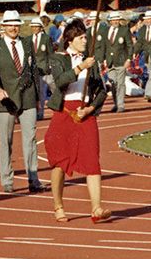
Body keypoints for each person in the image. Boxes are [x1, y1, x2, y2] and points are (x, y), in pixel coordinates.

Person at [44, 19, 109, 223]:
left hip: (85, 114)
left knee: (92, 160)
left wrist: (90, 108)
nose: (84, 40)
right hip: (64, 114)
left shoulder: (92, 60)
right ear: (70, 40)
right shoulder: (58, 58)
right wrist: (80, 67)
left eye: (85, 37)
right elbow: (60, 81)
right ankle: (58, 206)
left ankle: (96, 208)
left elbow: (101, 91)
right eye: (81, 38)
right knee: (60, 163)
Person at [0, 10, 43, 193]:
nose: (13, 28)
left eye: (16, 25)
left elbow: (33, 71)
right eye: (9, 25)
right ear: (3, 26)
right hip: (6, 100)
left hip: (27, 97)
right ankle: (7, 180)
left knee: (31, 139)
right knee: (6, 140)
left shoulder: (27, 44)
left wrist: (38, 98)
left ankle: (33, 178)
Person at [103, 11, 133, 113]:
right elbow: (104, 46)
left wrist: (129, 59)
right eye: (113, 20)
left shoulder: (124, 30)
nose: (115, 21)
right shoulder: (106, 30)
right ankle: (116, 104)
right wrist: (103, 60)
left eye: (117, 19)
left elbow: (129, 46)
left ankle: (121, 105)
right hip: (110, 62)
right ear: (110, 21)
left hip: (121, 61)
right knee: (113, 84)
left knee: (120, 84)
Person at [28, 17, 54, 120]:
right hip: (34, 71)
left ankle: (60, 108)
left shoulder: (46, 38)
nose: (34, 28)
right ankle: (40, 112)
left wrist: (51, 66)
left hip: (46, 70)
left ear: (41, 27)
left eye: (36, 26)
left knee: (53, 90)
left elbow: (51, 54)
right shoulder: (28, 39)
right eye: (33, 26)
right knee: (39, 93)